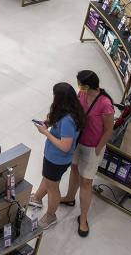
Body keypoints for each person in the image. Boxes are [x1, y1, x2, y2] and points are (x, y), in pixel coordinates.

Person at [60, 70, 114, 237]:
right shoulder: (81, 95)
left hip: (93, 147)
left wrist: (98, 148)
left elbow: (109, 129)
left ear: (88, 85)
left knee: (86, 182)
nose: (79, 87)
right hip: (77, 140)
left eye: (80, 84)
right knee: (74, 169)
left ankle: (83, 218)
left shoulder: (105, 103)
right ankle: (69, 197)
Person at [30, 82, 86, 230]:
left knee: (52, 186)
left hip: (57, 159)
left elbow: (65, 145)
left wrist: (46, 133)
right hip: (53, 157)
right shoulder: (69, 110)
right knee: (47, 179)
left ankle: (51, 215)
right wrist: (48, 122)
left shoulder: (68, 120)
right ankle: (37, 198)